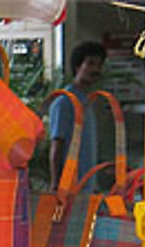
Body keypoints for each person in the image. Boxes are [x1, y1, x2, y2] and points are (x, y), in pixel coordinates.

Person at [48, 41, 106, 190]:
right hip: (70, 189)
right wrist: (56, 185)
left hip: (86, 187)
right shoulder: (65, 102)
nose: (95, 69)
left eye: (99, 65)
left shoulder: (87, 101)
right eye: (90, 64)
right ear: (77, 66)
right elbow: (57, 145)